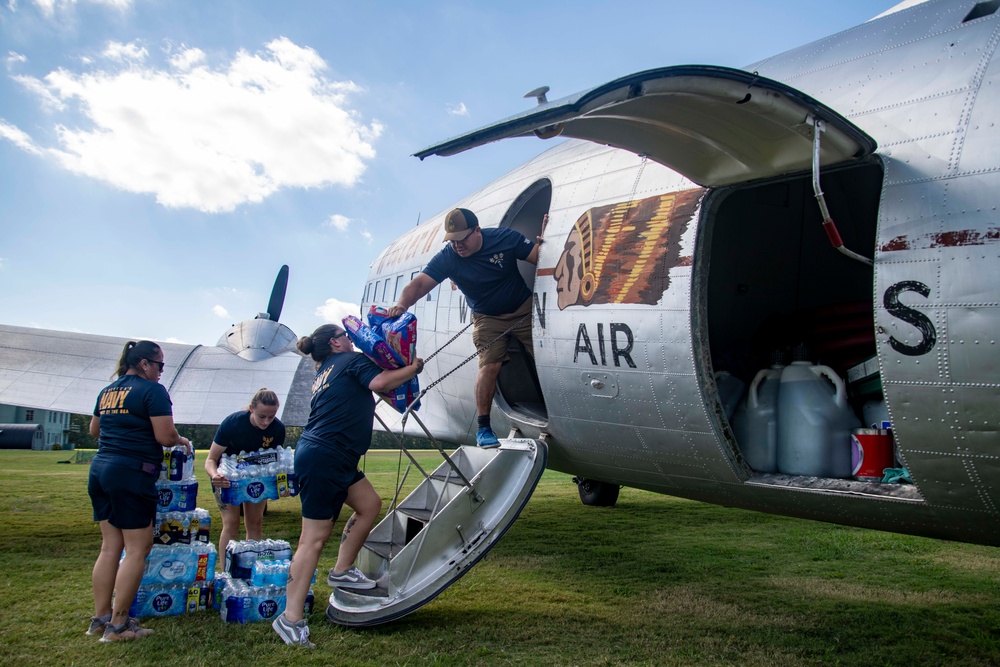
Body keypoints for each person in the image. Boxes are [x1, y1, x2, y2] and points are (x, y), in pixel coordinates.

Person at [272, 323, 423, 648]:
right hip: (326, 456)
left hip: (332, 455)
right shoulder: (351, 362)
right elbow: (380, 381)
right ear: (336, 343)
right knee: (312, 540)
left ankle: (341, 570)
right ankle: (290, 619)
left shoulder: (326, 369)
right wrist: (414, 368)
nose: (353, 341)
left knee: (369, 504)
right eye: (347, 338)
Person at [387, 207, 545, 447]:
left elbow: (540, 257)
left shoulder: (504, 238)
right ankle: (483, 428)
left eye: (462, 239)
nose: (457, 246)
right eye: (452, 241)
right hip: (487, 317)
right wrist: (401, 305)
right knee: (489, 365)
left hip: (523, 309)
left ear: (477, 231)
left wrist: (547, 242)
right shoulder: (448, 257)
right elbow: (419, 285)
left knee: (545, 357)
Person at [87, 340, 191, 642]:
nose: (161, 372)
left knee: (109, 547)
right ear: (145, 364)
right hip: (131, 472)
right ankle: (119, 627)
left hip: (100, 469)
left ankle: (100, 618)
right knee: (137, 548)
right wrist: (180, 439)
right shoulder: (152, 391)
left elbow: (96, 430)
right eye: (160, 365)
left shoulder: (109, 390)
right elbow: (165, 435)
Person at [204, 388, 286, 556]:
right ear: (251, 409)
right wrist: (215, 475)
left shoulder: (277, 429)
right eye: (261, 416)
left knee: (255, 523)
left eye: (271, 417)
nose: (266, 422)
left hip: (256, 479)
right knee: (231, 523)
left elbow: (274, 462)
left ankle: (250, 568)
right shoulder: (233, 423)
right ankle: (227, 570)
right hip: (228, 480)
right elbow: (211, 459)